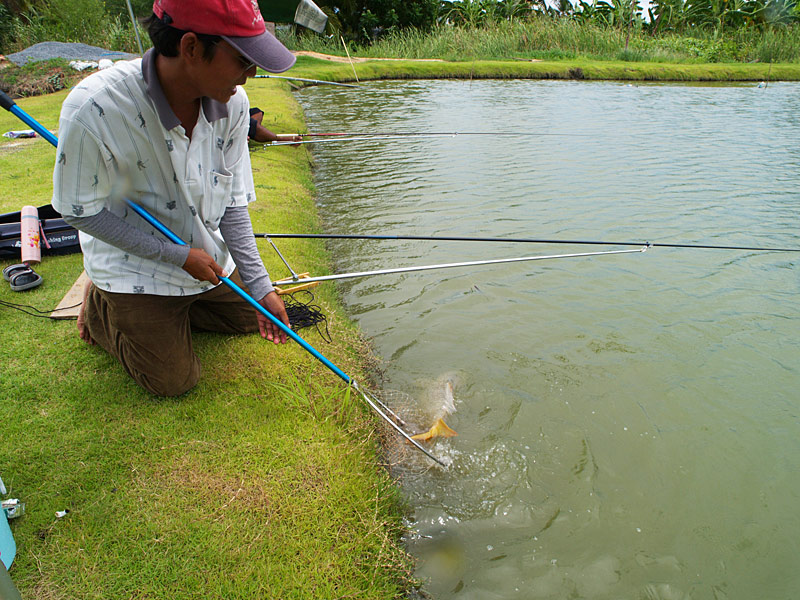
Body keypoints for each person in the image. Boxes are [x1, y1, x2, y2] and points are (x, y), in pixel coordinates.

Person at [52, 0, 294, 397]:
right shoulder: (93, 108)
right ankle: (101, 304)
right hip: (136, 267)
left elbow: (232, 202)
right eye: (242, 60)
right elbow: (79, 212)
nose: (251, 75)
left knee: (260, 316)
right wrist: (176, 256)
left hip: (204, 260)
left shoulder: (234, 105)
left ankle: (181, 311)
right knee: (173, 382)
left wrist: (260, 285)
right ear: (192, 48)